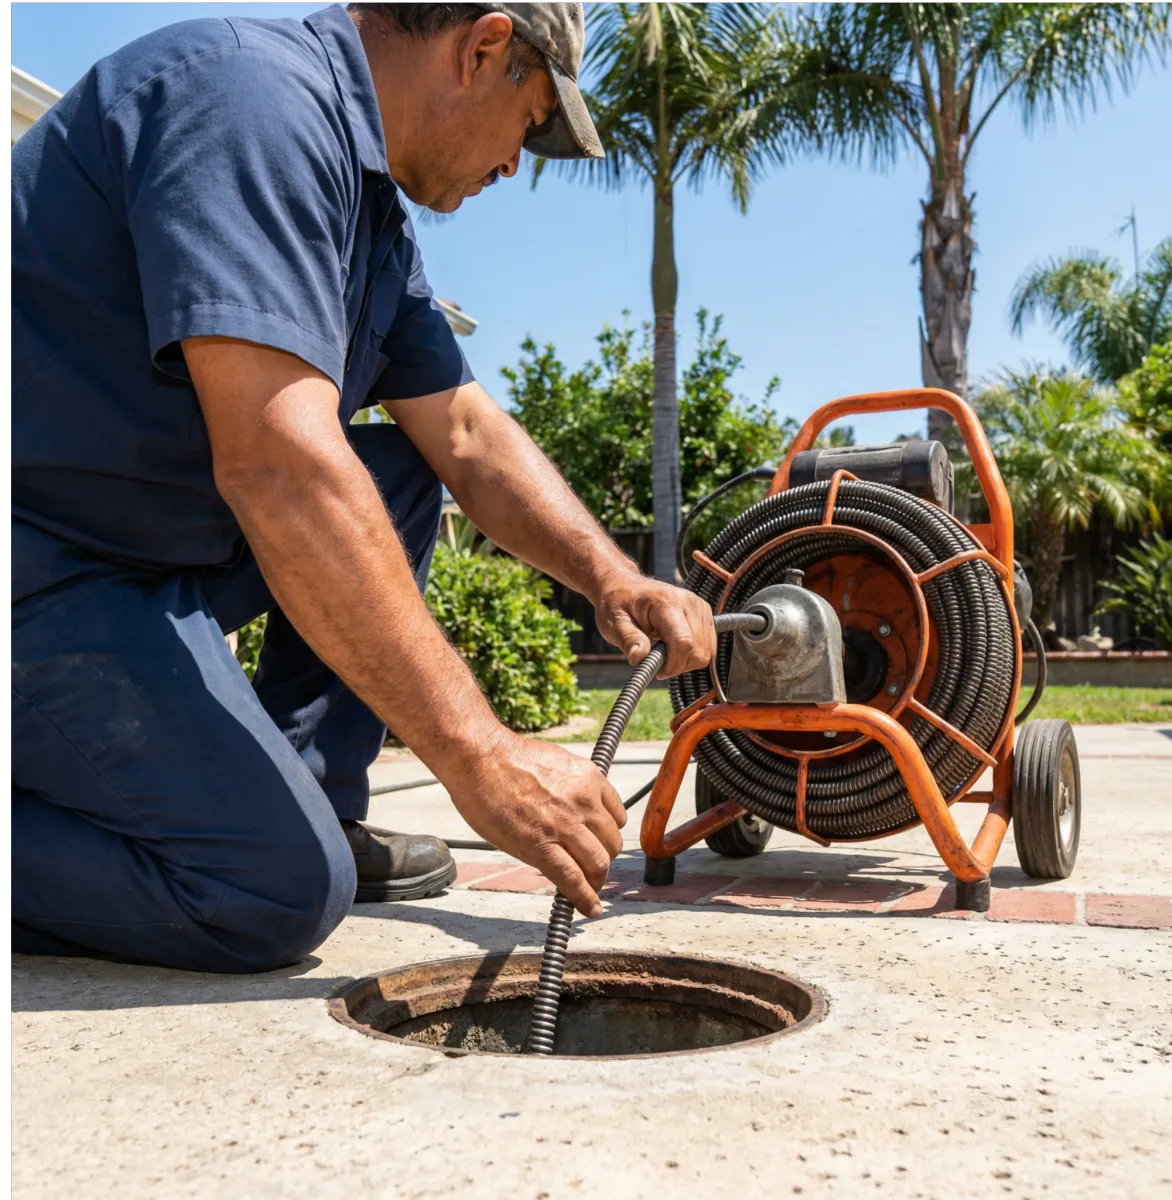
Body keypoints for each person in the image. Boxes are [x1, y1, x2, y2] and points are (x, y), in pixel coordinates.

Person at [8, 2, 716, 974]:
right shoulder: (248, 104)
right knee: (267, 889)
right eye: (535, 122)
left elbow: (462, 433)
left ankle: (312, 801)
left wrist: (609, 578)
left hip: (121, 555)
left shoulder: (368, 211)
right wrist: (480, 752)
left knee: (396, 475)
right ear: (484, 48)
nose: (519, 162)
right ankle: (281, 842)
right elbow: (280, 465)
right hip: (38, 567)